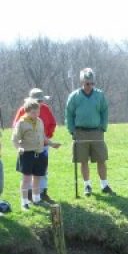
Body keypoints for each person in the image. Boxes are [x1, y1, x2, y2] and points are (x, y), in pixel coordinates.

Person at [65, 68, 114, 197]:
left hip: (97, 132)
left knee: (101, 159)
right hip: (80, 132)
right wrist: (72, 130)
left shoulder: (99, 95)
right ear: (82, 82)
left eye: (92, 83)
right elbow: (69, 114)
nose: (90, 86)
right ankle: (87, 185)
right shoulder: (74, 96)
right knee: (83, 160)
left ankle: (104, 184)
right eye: (87, 83)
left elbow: (104, 111)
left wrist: (103, 127)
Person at [12, 98, 61, 210]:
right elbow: (14, 139)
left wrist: (52, 144)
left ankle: (36, 199)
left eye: (38, 112)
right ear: (27, 111)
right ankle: (24, 202)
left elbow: (43, 136)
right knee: (26, 179)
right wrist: (18, 148)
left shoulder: (40, 121)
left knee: (38, 177)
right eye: (33, 112)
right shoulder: (21, 123)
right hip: (27, 154)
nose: (36, 114)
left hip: (40, 153)